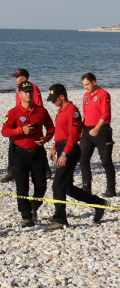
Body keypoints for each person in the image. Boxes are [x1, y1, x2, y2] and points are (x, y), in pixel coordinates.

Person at [45, 84, 106, 231]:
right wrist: (55, 148)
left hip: (70, 150)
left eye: (54, 99)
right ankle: (98, 203)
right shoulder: (61, 110)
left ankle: (60, 219)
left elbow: (73, 136)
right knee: (67, 188)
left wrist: (65, 154)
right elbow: (61, 132)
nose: (53, 102)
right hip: (62, 147)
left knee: (57, 185)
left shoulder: (73, 111)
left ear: (62, 96)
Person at [1, 81, 54, 227]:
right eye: (25, 92)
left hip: (38, 154)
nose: (28, 94)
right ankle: (26, 216)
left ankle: (33, 207)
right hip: (20, 154)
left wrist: (47, 138)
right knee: (22, 186)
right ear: (20, 94)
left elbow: (51, 127)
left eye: (30, 91)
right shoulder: (13, 112)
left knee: (41, 186)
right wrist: (20, 131)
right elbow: (4, 131)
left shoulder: (41, 111)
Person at [1, 68, 44, 182]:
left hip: (30, 120)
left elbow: (39, 106)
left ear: (24, 78)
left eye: (17, 76)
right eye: (15, 76)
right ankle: (12, 171)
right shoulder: (17, 89)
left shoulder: (33, 88)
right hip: (18, 119)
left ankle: (44, 170)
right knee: (13, 145)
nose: (15, 78)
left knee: (36, 144)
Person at [79, 73, 115, 197]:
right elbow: (86, 114)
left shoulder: (103, 94)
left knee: (106, 161)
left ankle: (111, 188)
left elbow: (106, 114)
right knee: (83, 158)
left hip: (101, 130)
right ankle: (86, 187)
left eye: (87, 84)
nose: (85, 87)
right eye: (83, 85)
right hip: (87, 131)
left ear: (94, 82)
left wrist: (97, 128)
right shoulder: (86, 96)